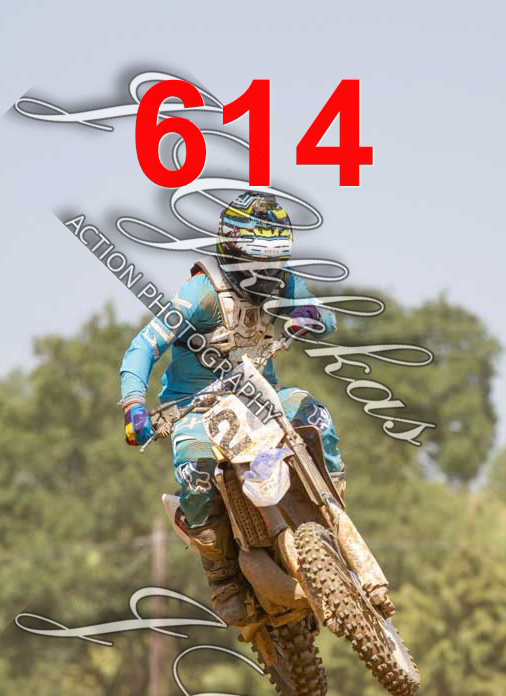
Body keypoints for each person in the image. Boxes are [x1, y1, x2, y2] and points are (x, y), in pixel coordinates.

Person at [119, 191, 344, 625]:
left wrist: (308, 315)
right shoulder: (202, 293)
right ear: (232, 252)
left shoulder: (283, 283)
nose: (266, 274)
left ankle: (333, 502)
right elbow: (143, 347)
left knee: (317, 416)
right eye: (256, 262)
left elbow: (325, 317)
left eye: (274, 262)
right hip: (193, 408)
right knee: (195, 471)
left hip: (263, 396)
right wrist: (134, 406)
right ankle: (221, 574)